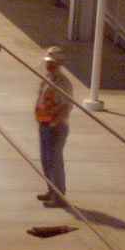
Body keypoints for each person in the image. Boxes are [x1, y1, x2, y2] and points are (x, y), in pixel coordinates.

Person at [34, 46, 75, 207]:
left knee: (55, 161)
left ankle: (59, 196)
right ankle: (51, 190)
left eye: (51, 63)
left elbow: (67, 106)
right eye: (47, 62)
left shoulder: (63, 83)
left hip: (55, 127)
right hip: (44, 124)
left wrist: (54, 122)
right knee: (46, 160)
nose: (48, 65)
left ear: (58, 63)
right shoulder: (48, 78)